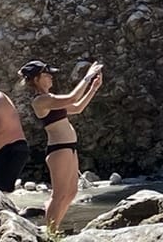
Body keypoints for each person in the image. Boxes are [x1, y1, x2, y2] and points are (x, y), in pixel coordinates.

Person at [20, 59, 104, 232]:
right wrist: (87, 78)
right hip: (59, 149)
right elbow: (72, 97)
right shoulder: (40, 101)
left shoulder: (52, 99)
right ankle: (51, 231)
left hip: (68, 147)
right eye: (46, 74)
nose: (51, 77)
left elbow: (77, 107)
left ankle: (54, 227)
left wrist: (93, 88)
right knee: (58, 195)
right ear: (36, 79)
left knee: (71, 192)